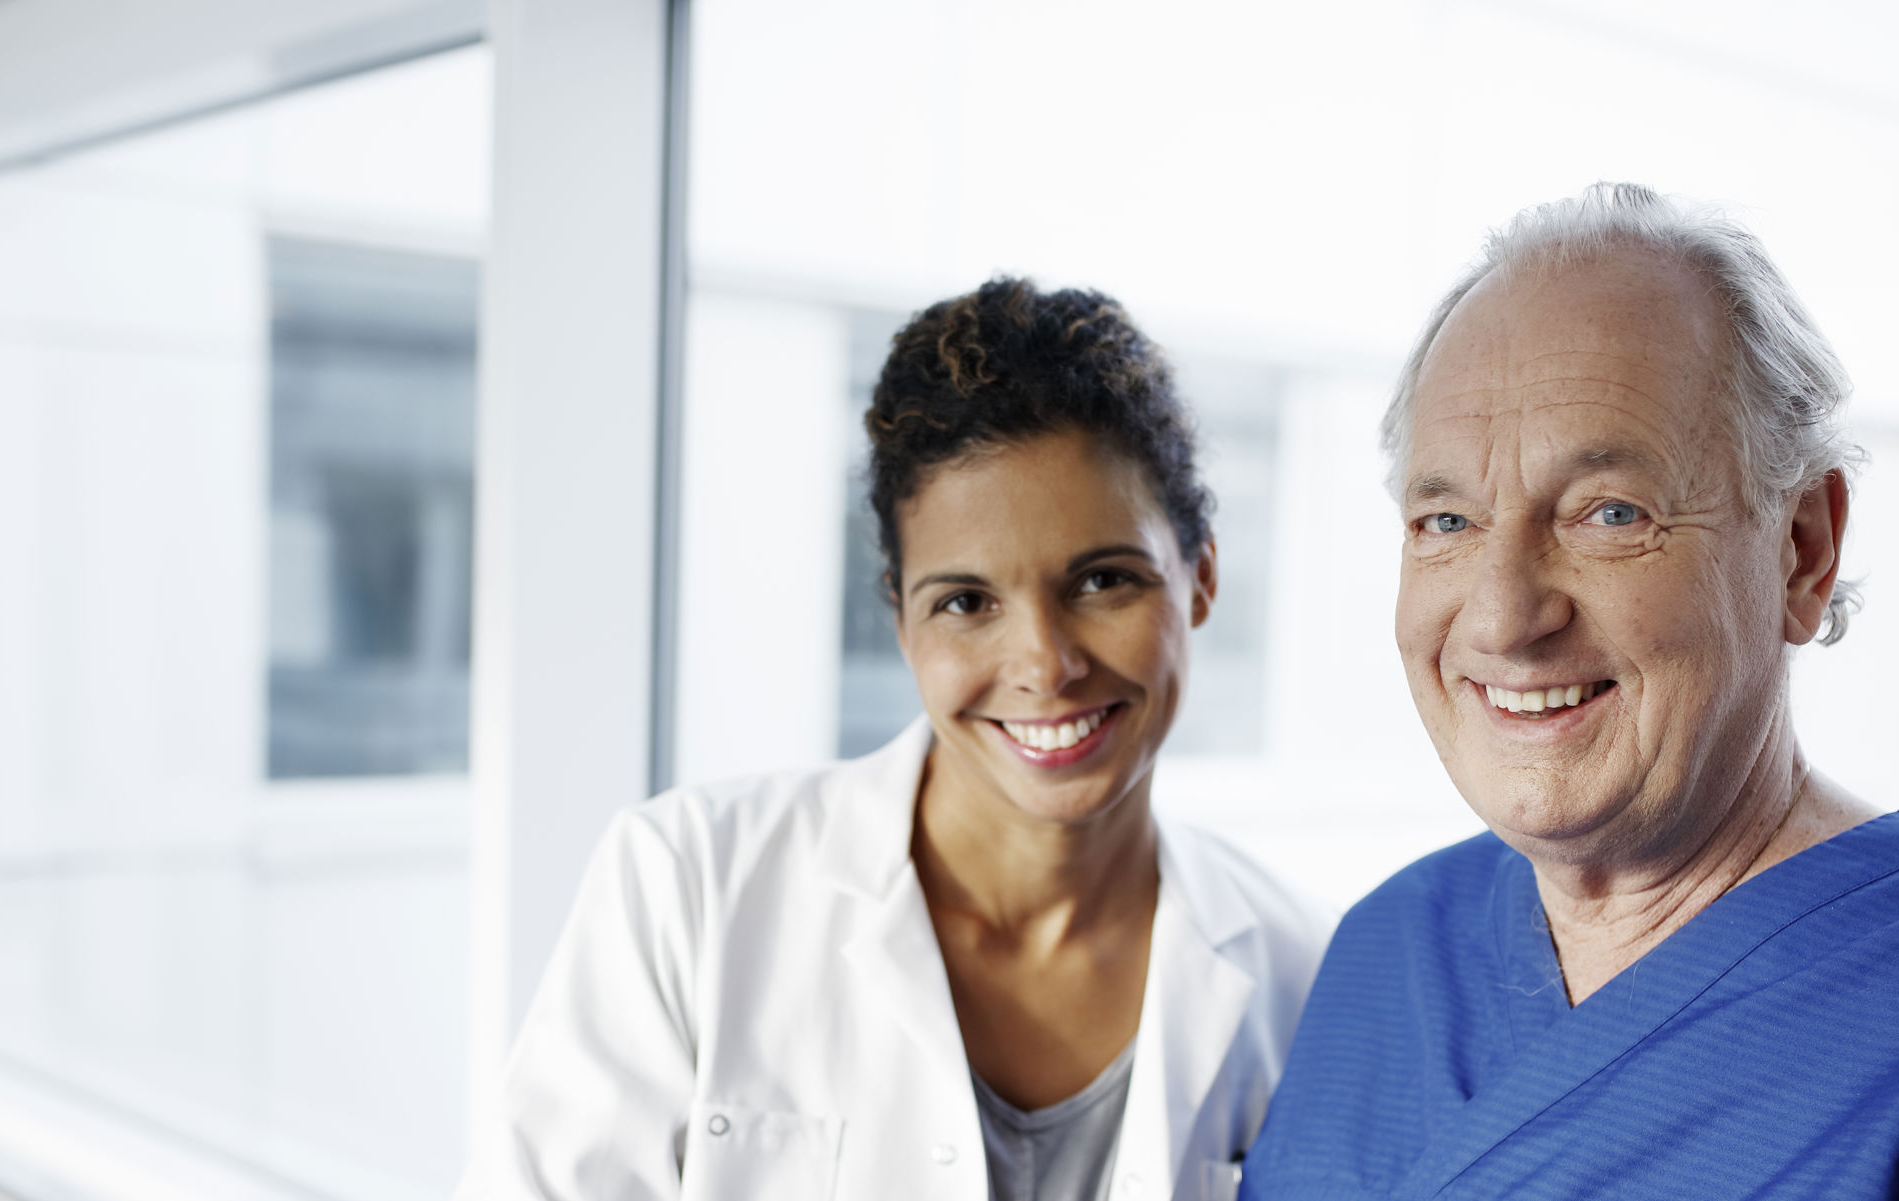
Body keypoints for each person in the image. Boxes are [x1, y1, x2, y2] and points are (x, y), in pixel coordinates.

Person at [458, 278, 1333, 1200]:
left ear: (1200, 578)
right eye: (966, 601)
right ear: (901, 620)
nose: (1045, 664)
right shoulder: (687, 886)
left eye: (1102, 581)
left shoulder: (1303, 972)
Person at [1240, 184, 1899, 1200]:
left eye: (1609, 512)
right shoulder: (1388, 952)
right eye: (1447, 522)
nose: (1502, 619)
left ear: (1803, 549)